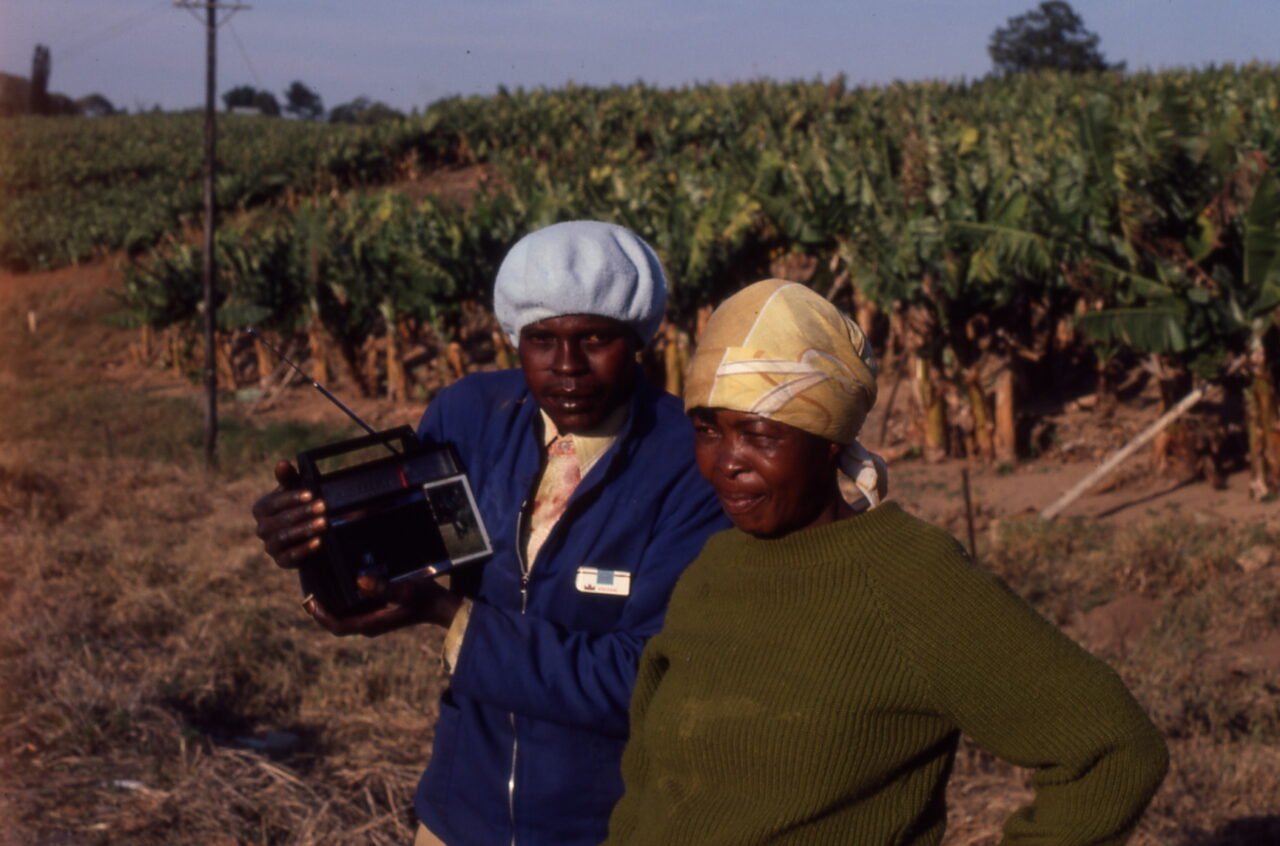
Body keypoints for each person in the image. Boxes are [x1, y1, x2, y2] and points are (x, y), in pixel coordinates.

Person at [602, 279, 1168, 846]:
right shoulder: (714, 568)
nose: (727, 462)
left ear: (827, 439)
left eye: (758, 435)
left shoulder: (908, 579)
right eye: (707, 431)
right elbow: (649, 780)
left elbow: (1111, 751)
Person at [252, 221, 729, 846]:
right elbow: (402, 549)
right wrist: (318, 548)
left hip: (608, 826)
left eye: (596, 338)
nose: (567, 366)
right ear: (515, 339)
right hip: (459, 814)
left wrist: (452, 618)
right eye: (541, 339)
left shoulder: (689, 463)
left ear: (639, 337)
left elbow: (646, 678)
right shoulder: (470, 417)